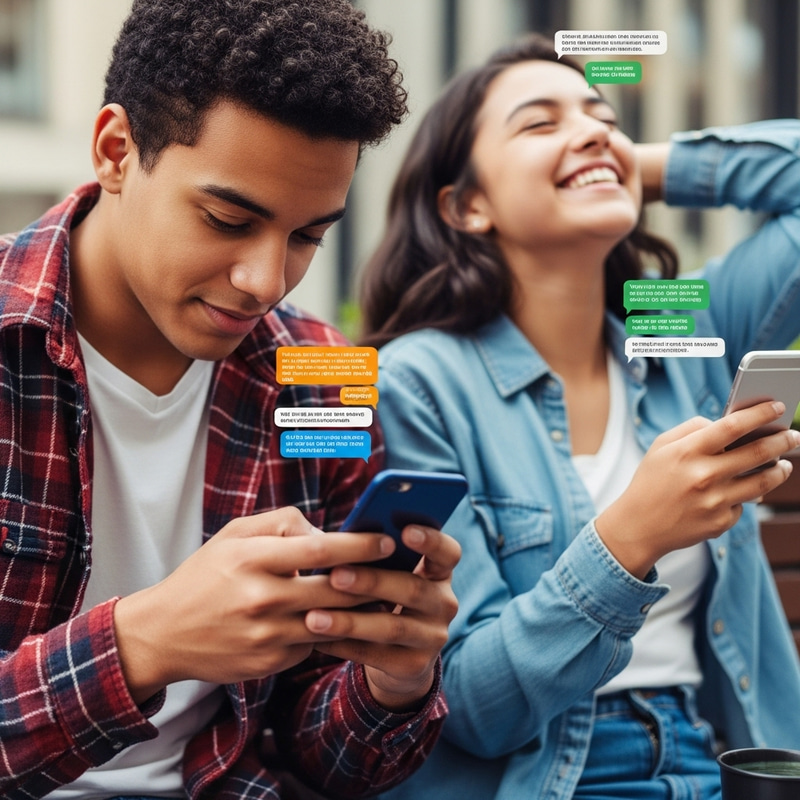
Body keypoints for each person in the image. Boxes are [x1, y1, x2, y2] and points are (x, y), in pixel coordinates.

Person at [0, 2, 461, 799]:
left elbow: (327, 758)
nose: (266, 280)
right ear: (116, 152)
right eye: (228, 219)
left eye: (308, 237)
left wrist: (393, 679)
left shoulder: (322, 372)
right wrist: (143, 644)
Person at [360, 32, 800, 800]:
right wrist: (632, 537)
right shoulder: (417, 383)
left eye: (604, 117)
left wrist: (630, 165)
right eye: (540, 122)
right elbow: (463, 704)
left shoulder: (679, 332)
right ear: (467, 206)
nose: (594, 130)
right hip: (550, 778)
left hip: (710, 760)